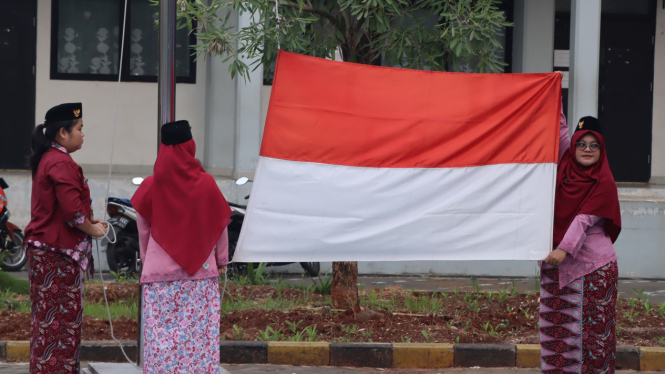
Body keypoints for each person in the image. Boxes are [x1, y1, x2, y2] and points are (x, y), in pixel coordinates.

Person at [131, 120, 232, 373]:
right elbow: (219, 225)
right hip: (199, 276)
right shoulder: (206, 183)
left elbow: (143, 232)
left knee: (160, 346)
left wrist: (149, 261)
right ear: (190, 146)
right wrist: (221, 260)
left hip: (158, 280)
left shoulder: (150, 186)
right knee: (198, 347)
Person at [25, 103, 108, 373]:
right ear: (63, 133)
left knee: (49, 325)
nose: (83, 134)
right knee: (59, 329)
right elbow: (72, 214)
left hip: (48, 254)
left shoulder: (49, 158)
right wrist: (94, 230)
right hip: (56, 257)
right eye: (79, 129)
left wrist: (88, 220)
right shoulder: (60, 162)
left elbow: (64, 210)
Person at [540, 99, 622, 372]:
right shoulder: (565, 162)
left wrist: (563, 249)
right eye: (581, 144)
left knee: (592, 340)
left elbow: (583, 219)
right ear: (573, 146)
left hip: (592, 269)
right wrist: (553, 92)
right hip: (555, 263)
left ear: (602, 149)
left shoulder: (604, 181)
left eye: (594, 145)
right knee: (557, 335)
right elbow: (560, 126)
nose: (587, 150)